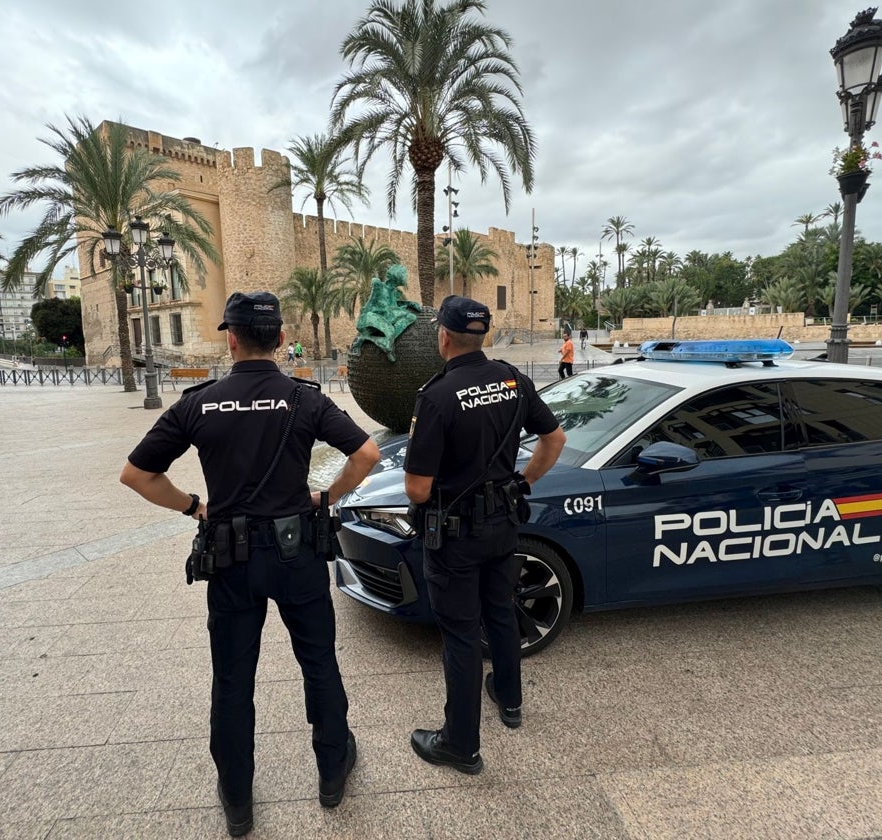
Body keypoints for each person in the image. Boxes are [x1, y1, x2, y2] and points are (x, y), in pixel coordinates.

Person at [120, 291, 380, 837]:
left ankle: (238, 797)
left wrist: (195, 506)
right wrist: (326, 496)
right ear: (282, 340)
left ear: (230, 339)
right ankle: (333, 772)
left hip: (232, 558)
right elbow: (367, 455)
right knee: (319, 662)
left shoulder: (199, 403)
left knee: (233, 677)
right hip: (297, 553)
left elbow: (137, 475)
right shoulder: (305, 400)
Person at [404, 295, 566, 775]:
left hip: (456, 536)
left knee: (459, 634)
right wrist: (523, 482)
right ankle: (510, 701)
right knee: (500, 611)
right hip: (503, 524)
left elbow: (416, 488)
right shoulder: (513, 379)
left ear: (444, 337)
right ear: (485, 336)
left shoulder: (435, 396)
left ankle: (460, 745)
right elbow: (553, 438)